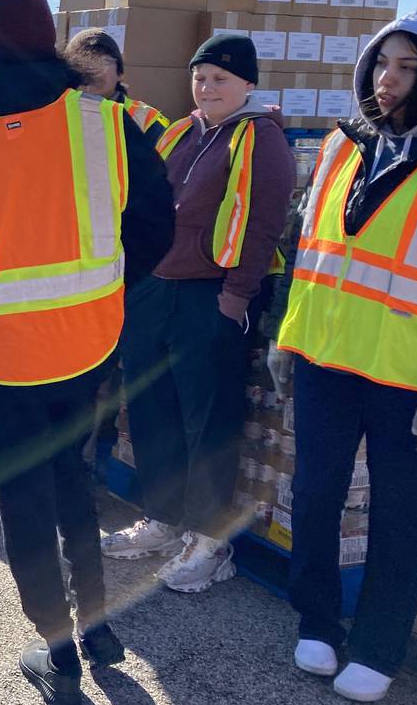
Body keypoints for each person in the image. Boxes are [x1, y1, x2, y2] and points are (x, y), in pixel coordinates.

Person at [0, 0, 174, 705]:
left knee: (23, 496)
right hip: (90, 338)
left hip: (1, 354)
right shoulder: (108, 123)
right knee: (74, 479)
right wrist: (109, 288)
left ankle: (56, 648)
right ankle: (100, 629)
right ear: (50, 39)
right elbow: (156, 225)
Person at [266, 8, 417, 703]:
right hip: (325, 361)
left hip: (408, 379)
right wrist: (286, 332)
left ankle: (378, 645)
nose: (387, 80)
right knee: (313, 495)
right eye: (380, 64)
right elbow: (306, 249)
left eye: (408, 68)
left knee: (398, 514)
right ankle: (315, 618)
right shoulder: (347, 146)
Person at [104, 34, 294, 594]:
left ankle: (211, 541)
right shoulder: (185, 133)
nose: (207, 87)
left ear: (247, 85)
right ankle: (164, 518)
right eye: (201, 76)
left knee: (206, 420)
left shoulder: (261, 140)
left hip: (209, 295)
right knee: (152, 406)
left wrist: (235, 296)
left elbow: (262, 225)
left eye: (220, 79)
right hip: (155, 289)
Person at [62, 28, 169, 478]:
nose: (92, 69)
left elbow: (165, 198)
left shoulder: (149, 121)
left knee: (120, 368)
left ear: (120, 69)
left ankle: (104, 455)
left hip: (130, 264)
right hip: (71, 263)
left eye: (100, 58)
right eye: (81, 61)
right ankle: (78, 458)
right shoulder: (57, 118)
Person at [63, 28, 170, 148]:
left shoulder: (146, 121)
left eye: (102, 62)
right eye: (80, 63)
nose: (91, 70)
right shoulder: (54, 114)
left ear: (120, 73)